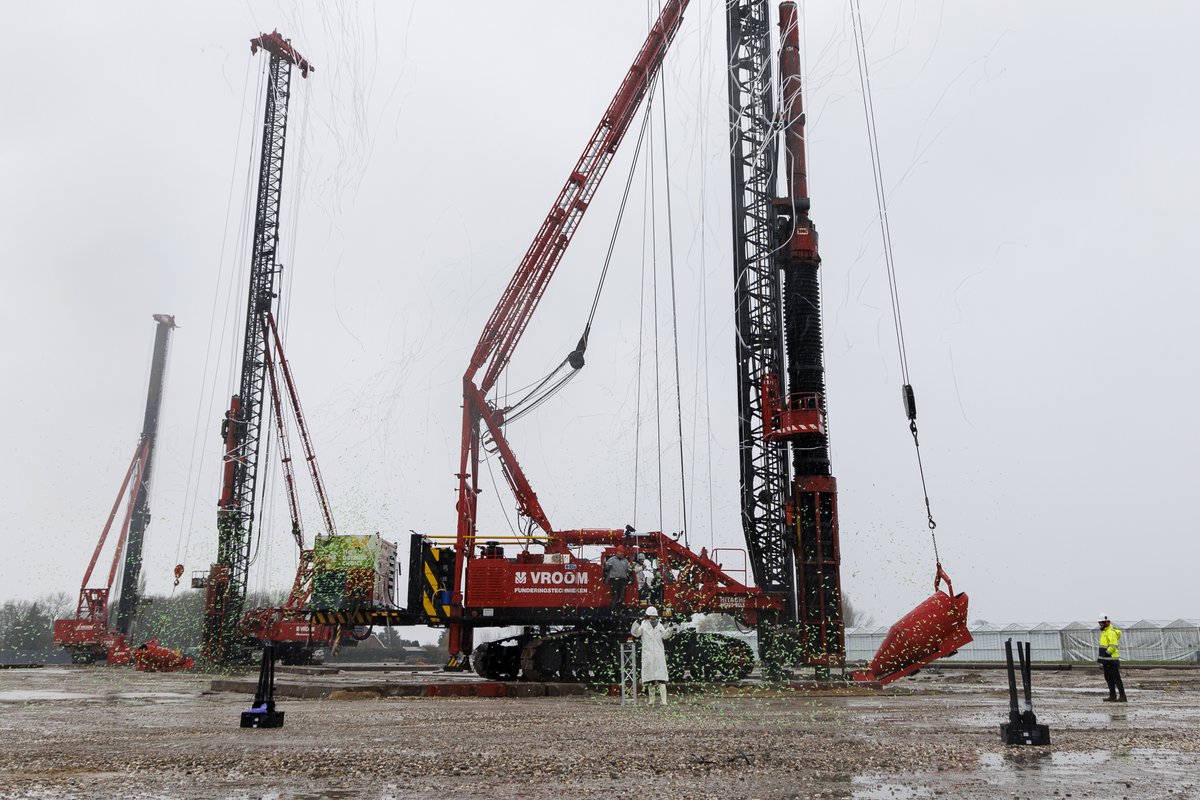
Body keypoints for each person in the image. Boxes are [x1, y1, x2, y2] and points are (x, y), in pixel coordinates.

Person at [630, 606, 674, 705]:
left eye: (654, 616)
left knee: (661, 678)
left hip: (658, 654)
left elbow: (665, 635)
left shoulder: (660, 625)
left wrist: (670, 628)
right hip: (648, 654)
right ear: (647, 616)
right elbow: (636, 633)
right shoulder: (644, 625)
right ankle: (652, 700)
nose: (652, 618)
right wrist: (636, 623)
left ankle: (664, 700)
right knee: (650, 679)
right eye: (651, 616)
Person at [1097, 616, 1127, 703]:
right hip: (1106, 660)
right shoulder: (1104, 632)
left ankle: (1122, 696)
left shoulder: (1111, 632)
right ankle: (1112, 695)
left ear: (1106, 623)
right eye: (1100, 623)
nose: (1100, 625)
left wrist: (1107, 653)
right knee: (1108, 678)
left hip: (1112, 660)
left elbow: (1113, 645)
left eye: (1101, 623)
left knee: (1116, 679)